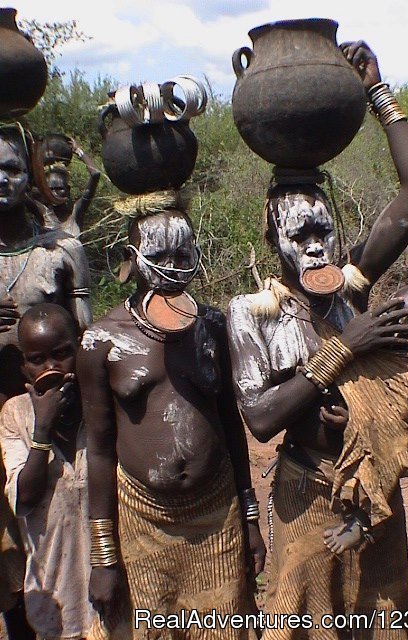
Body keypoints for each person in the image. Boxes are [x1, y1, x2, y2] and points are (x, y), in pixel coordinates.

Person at [227, 40, 408, 638]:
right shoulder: (253, 314)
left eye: (325, 231)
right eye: (300, 235)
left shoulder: (351, 286)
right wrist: (346, 347)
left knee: (382, 617)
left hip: (372, 489)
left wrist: (378, 92)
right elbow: (262, 418)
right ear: (274, 241)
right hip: (306, 490)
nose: (315, 246)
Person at [77, 192, 265, 640]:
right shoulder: (101, 341)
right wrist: (104, 557)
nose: (174, 264)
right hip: (143, 522)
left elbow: (231, 425)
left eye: (183, 252)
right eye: (159, 254)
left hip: (216, 516)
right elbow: (100, 451)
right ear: (131, 259)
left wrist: (250, 517)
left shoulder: (214, 327)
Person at [0, 123, 92, 638]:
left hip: (59, 418)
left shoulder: (60, 250)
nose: (1, 180)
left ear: (30, 174)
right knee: (9, 563)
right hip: (11, 427)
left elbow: (84, 332)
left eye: (12, 169)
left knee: (58, 535)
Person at [324, 282, 408, 554]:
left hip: (391, 444)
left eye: (402, 320)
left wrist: (353, 418)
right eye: (389, 312)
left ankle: (365, 519)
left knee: (387, 450)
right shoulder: (384, 346)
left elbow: (392, 423)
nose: (390, 322)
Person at [0, 303, 99, 640]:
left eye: (61, 354)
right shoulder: (15, 415)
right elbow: (24, 497)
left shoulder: (100, 405)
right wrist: (42, 429)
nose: (51, 367)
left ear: (79, 347)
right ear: (23, 366)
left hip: (109, 583)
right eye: (37, 359)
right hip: (53, 591)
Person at [41, 137, 101, 238]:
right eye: (50, 189)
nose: (54, 193)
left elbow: (95, 174)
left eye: (59, 188)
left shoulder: (76, 213)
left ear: (68, 190)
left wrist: (78, 151)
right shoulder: (41, 214)